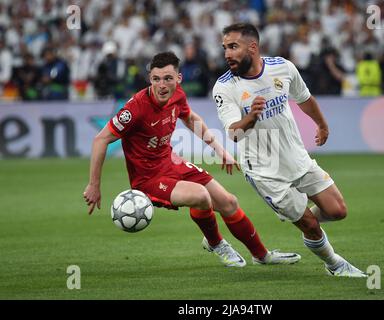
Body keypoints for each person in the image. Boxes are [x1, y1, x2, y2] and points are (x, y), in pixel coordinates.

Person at [83, 51, 300, 268]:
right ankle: (216, 243)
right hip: (147, 179)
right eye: (156, 79)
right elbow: (101, 139)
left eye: (168, 78)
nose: (162, 85)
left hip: (171, 163)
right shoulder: (135, 108)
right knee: (201, 196)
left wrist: (219, 149)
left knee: (229, 202)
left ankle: (262, 256)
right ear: (150, 79)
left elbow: (190, 119)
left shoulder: (177, 95)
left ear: (178, 79)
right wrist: (94, 185)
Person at [212, 23, 367, 277]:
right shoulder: (225, 87)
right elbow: (234, 133)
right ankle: (335, 264)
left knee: (337, 210)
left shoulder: (281, 67)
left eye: (233, 47)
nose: (227, 53)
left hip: (296, 157)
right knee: (309, 225)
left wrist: (322, 123)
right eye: (225, 48)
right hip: (265, 170)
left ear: (253, 47)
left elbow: (304, 98)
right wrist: (251, 116)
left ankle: (301, 218)